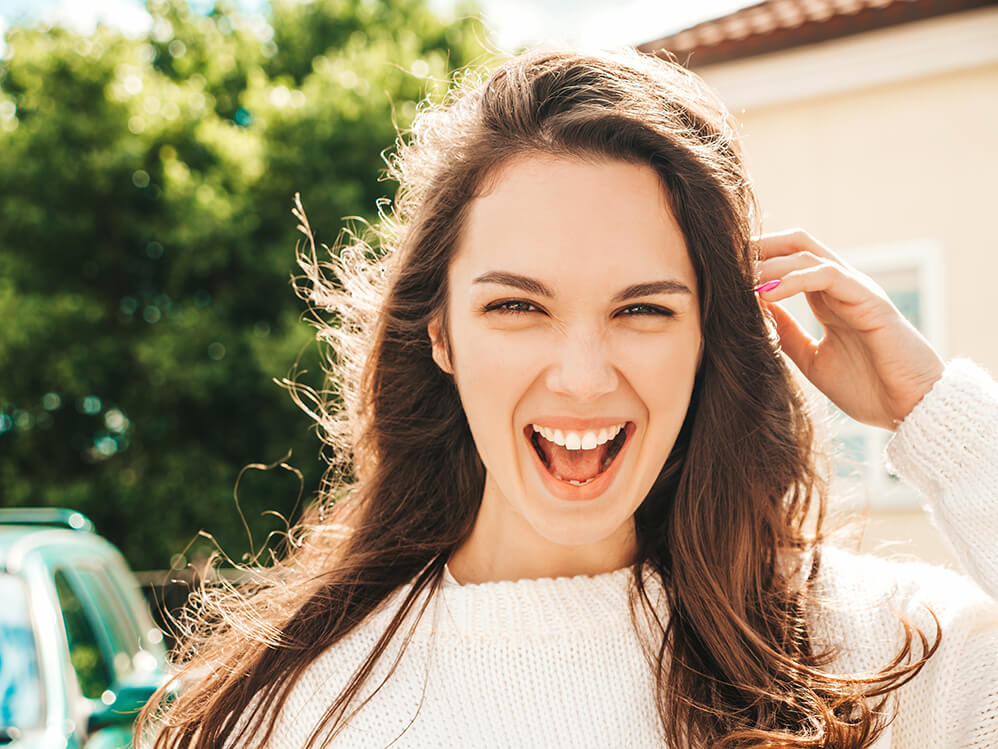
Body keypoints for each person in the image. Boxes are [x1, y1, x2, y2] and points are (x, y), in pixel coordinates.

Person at [136, 47, 998, 748]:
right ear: (439, 331)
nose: (583, 376)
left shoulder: (877, 653)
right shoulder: (291, 715)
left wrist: (940, 419)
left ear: (709, 339)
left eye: (643, 309)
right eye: (516, 306)